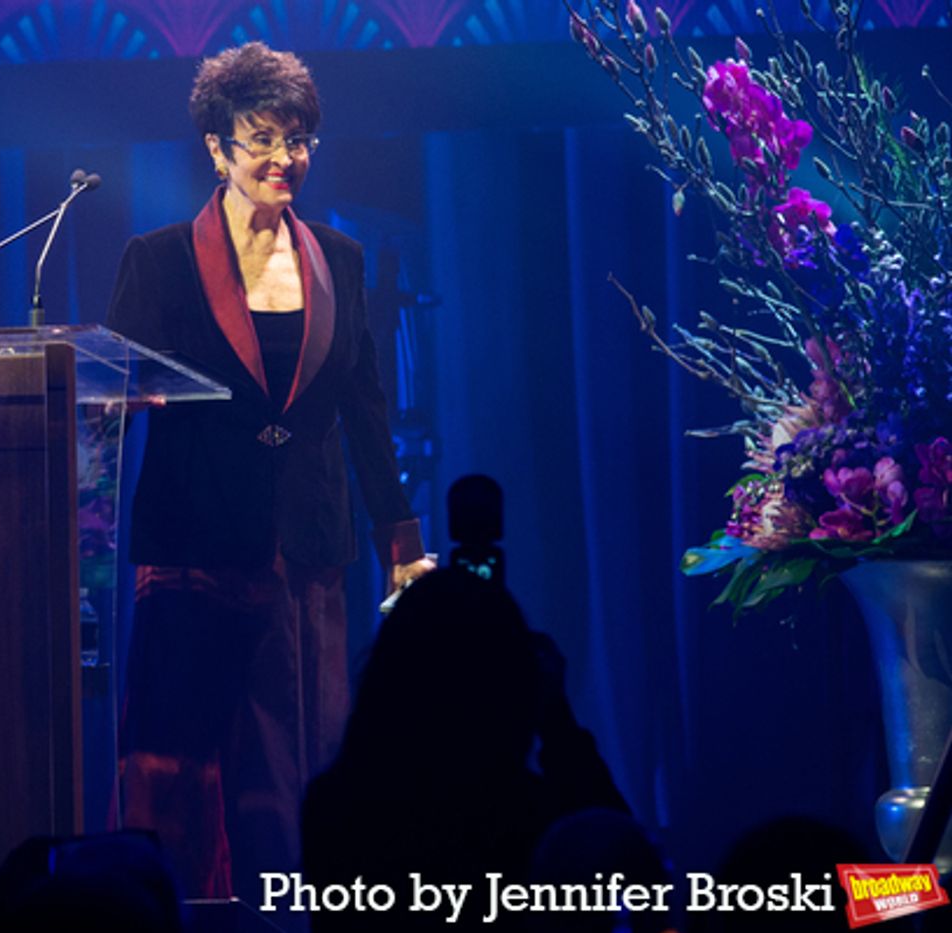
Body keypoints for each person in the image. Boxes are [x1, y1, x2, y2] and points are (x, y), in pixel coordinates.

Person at [105, 41, 433, 899]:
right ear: (216, 148)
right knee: (188, 774)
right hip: (196, 554)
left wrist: (399, 541)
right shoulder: (159, 260)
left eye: (300, 140)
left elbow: (367, 413)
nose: (287, 158)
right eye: (264, 139)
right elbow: (115, 405)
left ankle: (304, 914)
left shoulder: (343, 259)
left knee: (302, 763)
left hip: (307, 553)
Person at [300, 568, 631, 931]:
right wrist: (557, 719)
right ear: (514, 682)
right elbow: (622, 856)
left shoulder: (335, 810)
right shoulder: (531, 818)